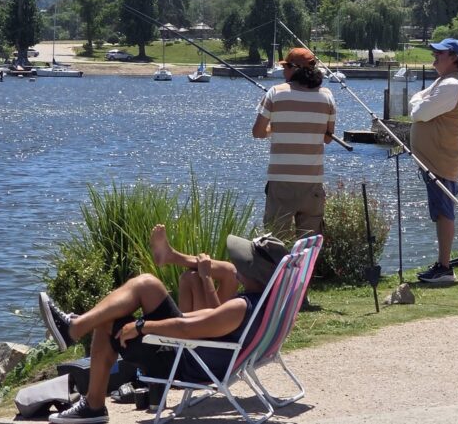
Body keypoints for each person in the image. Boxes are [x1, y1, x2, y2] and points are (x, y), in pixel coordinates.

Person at [38, 233, 289, 424]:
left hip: (180, 360)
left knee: (108, 321)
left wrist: (141, 326)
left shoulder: (240, 308)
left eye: (245, 263)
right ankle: (74, 327)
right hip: (192, 352)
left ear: (255, 273)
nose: (238, 265)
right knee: (147, 285)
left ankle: (93, 404)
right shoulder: (267, 302)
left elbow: (186, 329)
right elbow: (203, 319)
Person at [252, 47, 337, 236]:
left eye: (286, 67)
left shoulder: (275, 93)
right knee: (308, 247)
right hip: (313, 183)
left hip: (281, 182)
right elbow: (328, 138)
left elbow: (257, 132)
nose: (283, 71)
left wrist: (277, 126)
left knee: (276, 243)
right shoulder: (327, 97)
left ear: (295, 69)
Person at [410, 38, 458, 283]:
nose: (434, 55)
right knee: (440, 211)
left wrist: (417, 102)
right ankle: (442, 264)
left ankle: (445, 267)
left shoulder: (449, 85)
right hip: (438, 159)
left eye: (440, 52)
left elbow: (418, 112)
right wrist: (418, 100)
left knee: (444, 212)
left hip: (441, 160)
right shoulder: (445, 81)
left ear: (454, 57)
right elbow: (419, 100)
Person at [149, 223, 239, 312]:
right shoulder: (251, 294)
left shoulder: (246, 303)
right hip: (220, 320)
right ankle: (171, 255)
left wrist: (206, 277)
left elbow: (217, 320)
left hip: (212, 325)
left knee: (191, 278)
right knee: (231, 272)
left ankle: (171, 256)